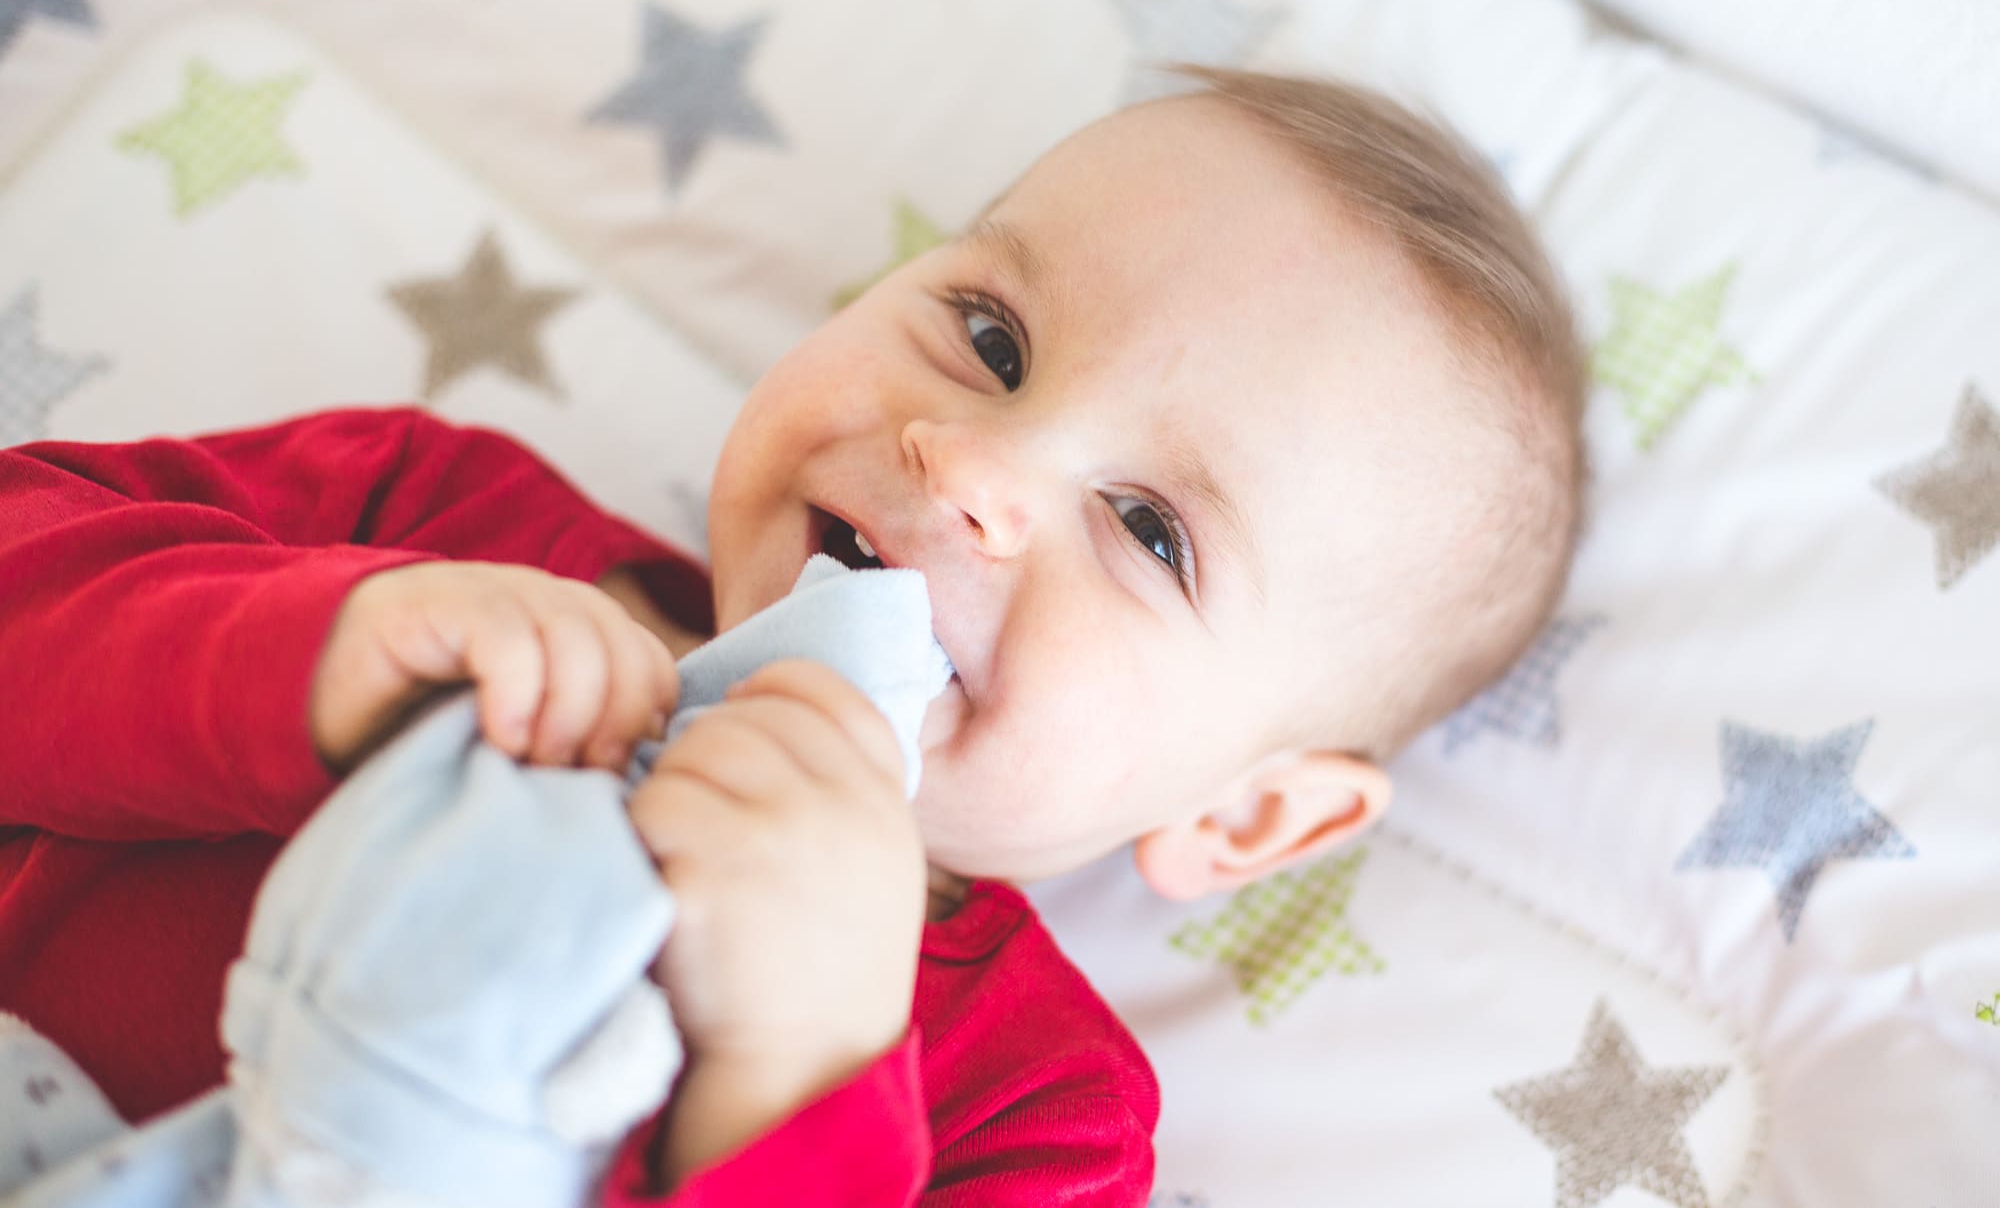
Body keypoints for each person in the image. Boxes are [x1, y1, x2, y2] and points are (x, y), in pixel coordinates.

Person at [0, 63, 1587, 1204]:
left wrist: (800, 1079)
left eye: (1153, 529)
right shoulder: (439, 513)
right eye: (990, 337)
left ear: (1247, 815)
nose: (972, 466)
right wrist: (308, 655)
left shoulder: (1040, 1117)